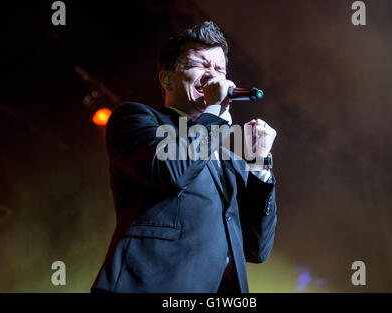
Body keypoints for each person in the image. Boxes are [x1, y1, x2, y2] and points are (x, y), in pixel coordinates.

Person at [92, 21, 277, 293]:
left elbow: (255, 248)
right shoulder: (136, 120)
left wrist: (258, 163)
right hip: (151, 285)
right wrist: (215, 111)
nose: (213, 77)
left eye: (220, 70)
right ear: (166, 78)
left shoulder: (226, 159)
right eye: (201, 65)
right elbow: (171, 172)